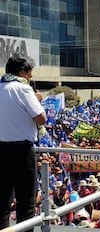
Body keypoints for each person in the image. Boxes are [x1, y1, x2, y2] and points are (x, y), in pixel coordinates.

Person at [0, 53, 46, 231]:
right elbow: (40, 119)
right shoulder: (23, 89)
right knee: (26, 200)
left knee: (2, 199)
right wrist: (37, 100)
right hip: (21, 151)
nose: (31, 76)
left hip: (0, 148)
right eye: (29, 72)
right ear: (22, 72)